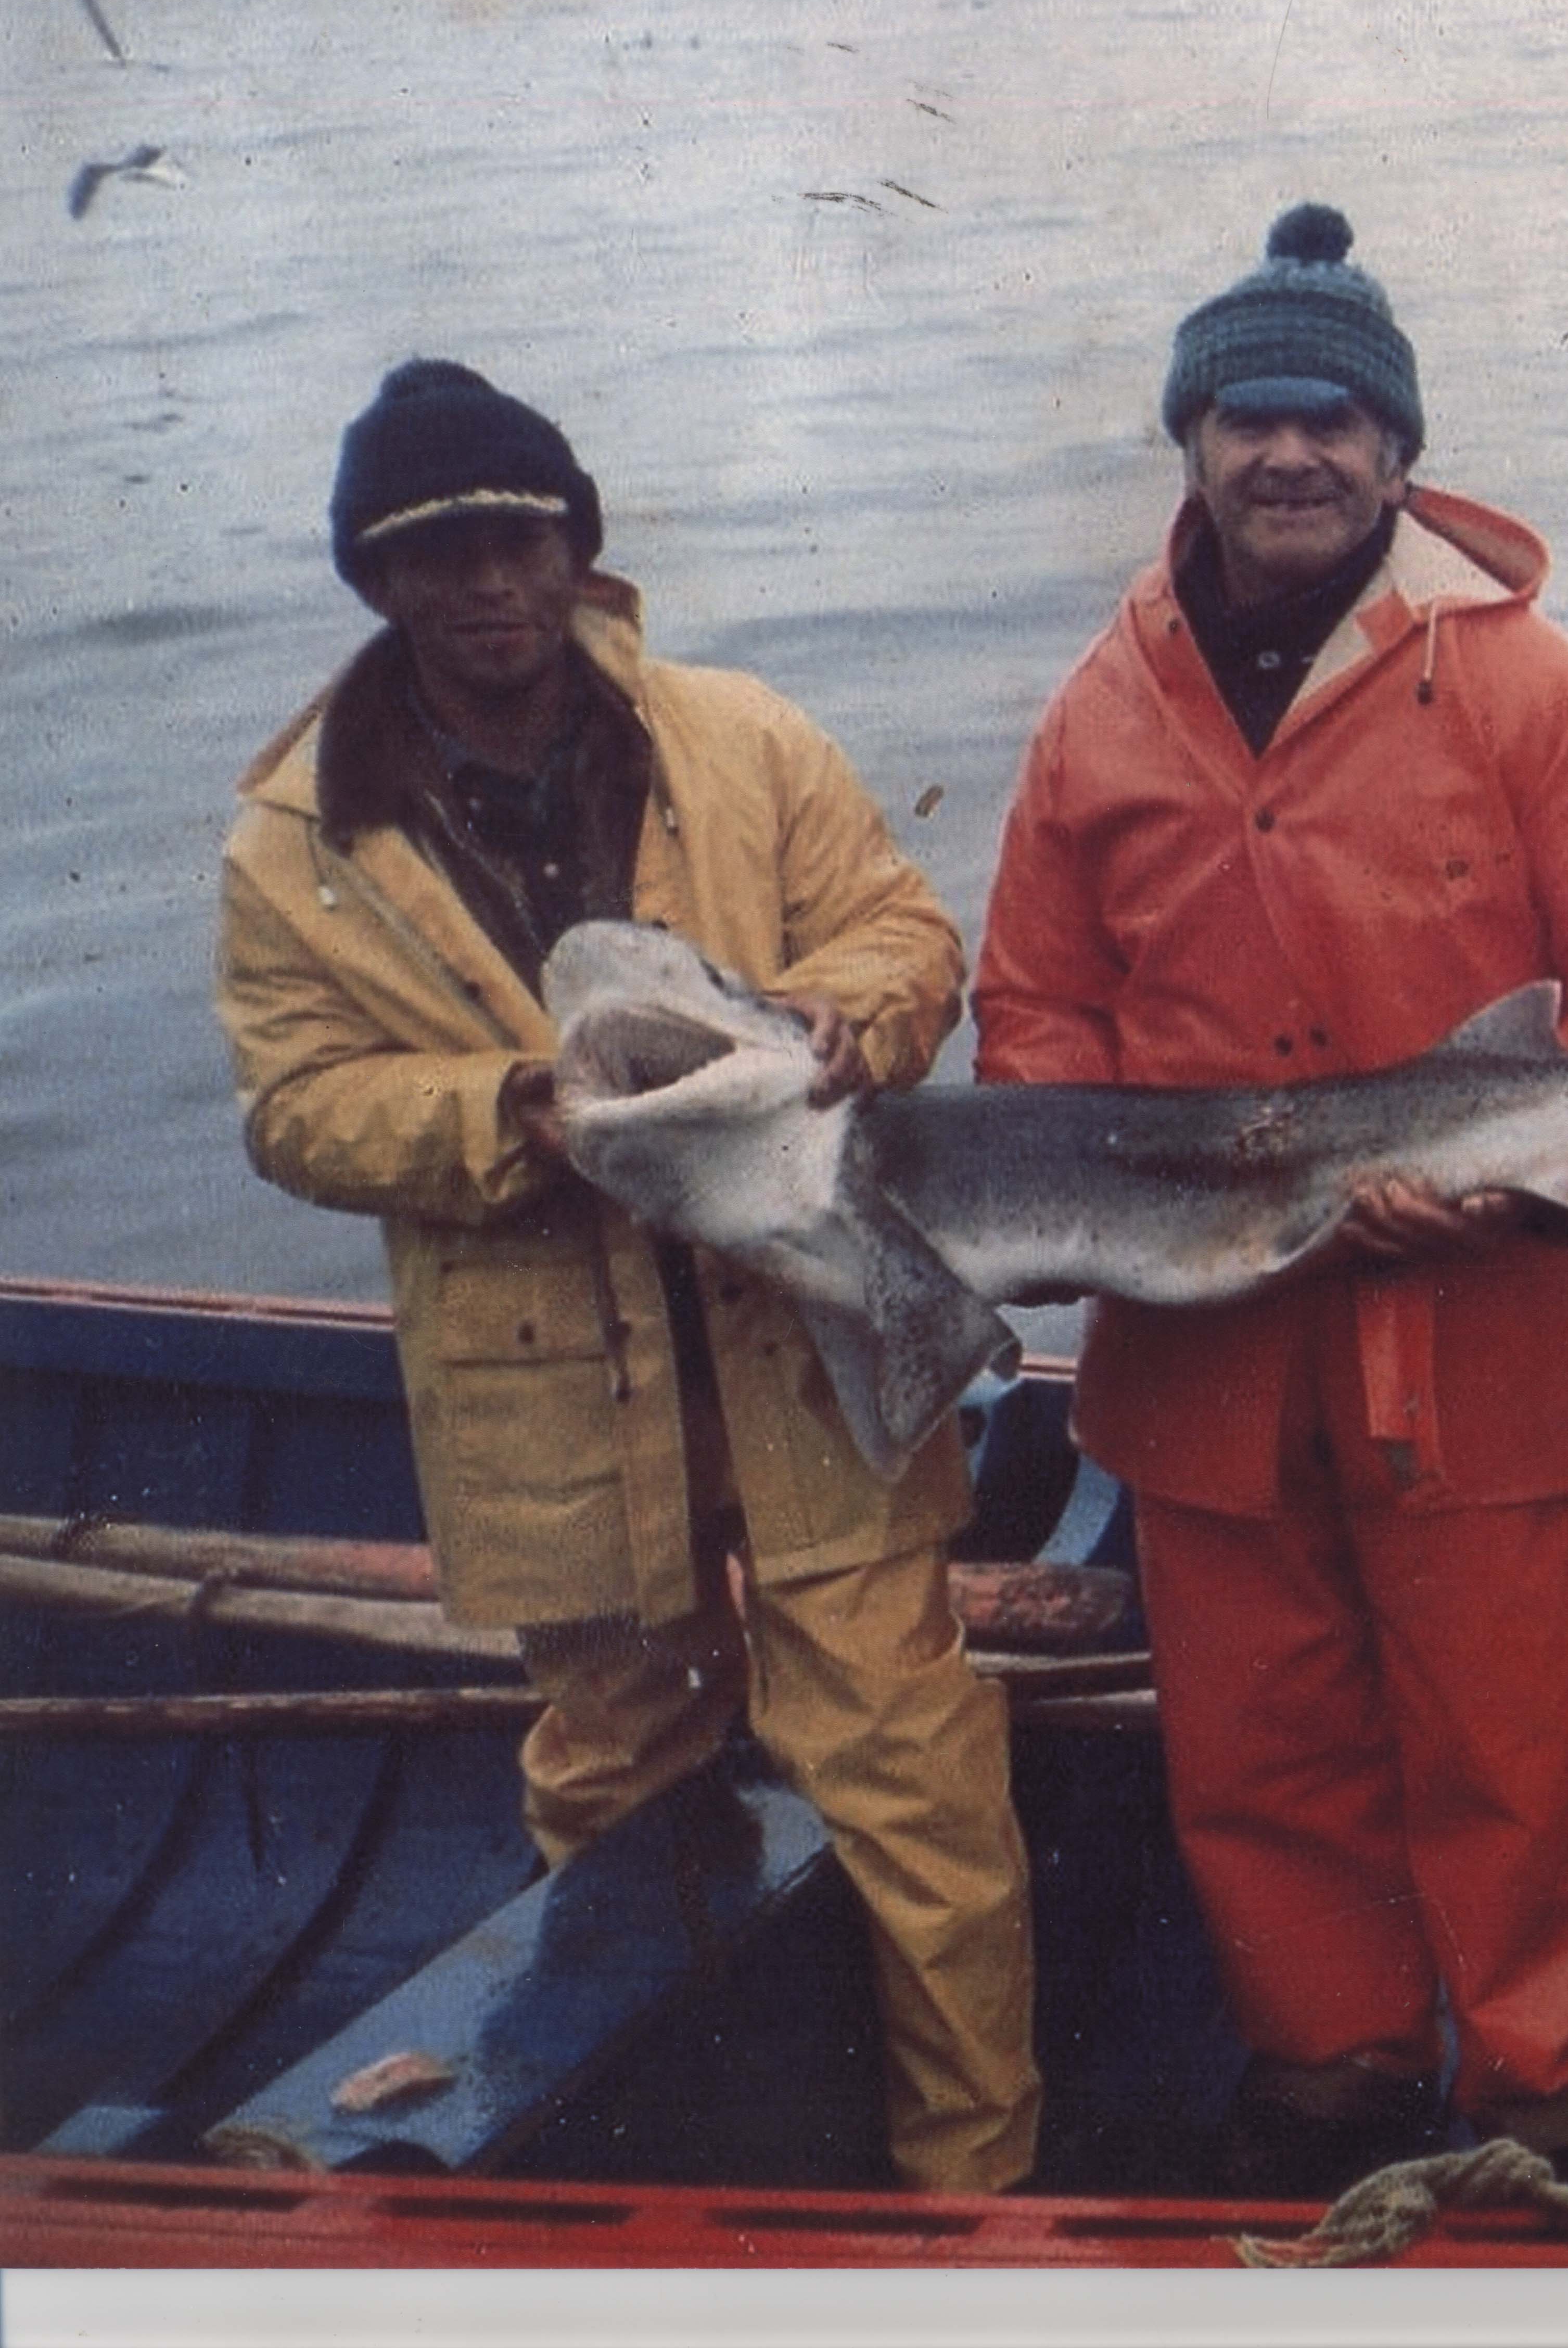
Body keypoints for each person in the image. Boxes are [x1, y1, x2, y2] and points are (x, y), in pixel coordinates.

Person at [972, 205, 1568, 2191]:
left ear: (1401, 456)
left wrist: (1503, 1190)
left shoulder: (1530, 684)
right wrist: (1081, 1182)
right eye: (1249, 415)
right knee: (1256, 1750)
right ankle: (1330, 2085)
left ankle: (1555, 2104)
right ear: (1193, 444)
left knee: (1514, 1744)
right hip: (1199, 1333)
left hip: (1465, 1324)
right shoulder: (1100, 704)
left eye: (1333, 418)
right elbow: (1036, 1005)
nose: (1290, 453)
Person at [214, 360, 1042, 2195]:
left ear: (577, 544)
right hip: (545, 1390)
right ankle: (651, 2205)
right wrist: (517, 1105)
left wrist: (857, 1013)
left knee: (912, 1777)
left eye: (516, 536)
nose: (485, 582)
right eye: (434, 554)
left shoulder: (737, 734)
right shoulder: (295, 835)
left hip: (810, 1331)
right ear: (372, 579)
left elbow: (903, 930)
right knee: (614, 1785)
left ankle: (979, 2207)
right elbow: (294, 1109)